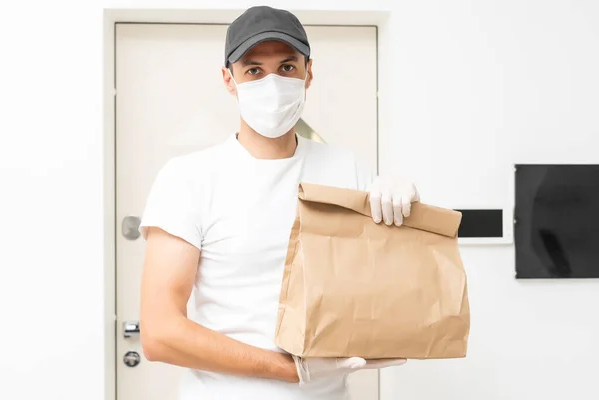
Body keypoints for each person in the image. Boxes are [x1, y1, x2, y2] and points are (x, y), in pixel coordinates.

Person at [138, 5, 419, 400]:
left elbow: (385, 294)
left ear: (309, 72)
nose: (272, 82)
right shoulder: (188, 178)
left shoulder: (345, 168)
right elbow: (160, 333)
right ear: (229, 79)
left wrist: (407, 221)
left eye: (287, 67)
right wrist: (294, 371)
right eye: (254, 70)